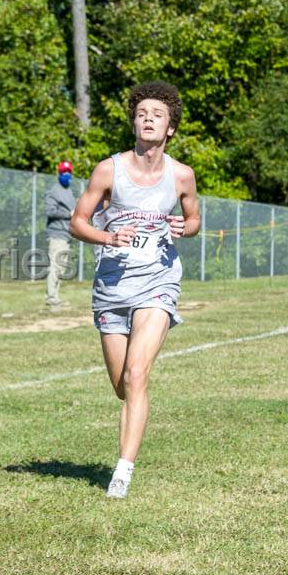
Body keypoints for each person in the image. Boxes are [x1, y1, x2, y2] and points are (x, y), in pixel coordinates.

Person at [69, 81, 200, 499]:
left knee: (137, 373)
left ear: (170, 128)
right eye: (142, 113)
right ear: (134, 121)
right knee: (122, 386)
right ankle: (133, 424)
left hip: (158, 281)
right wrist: (107, 237)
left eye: (157, 115)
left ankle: (122, 473)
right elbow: (78, 221)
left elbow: (193, 219)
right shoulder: (110, 170)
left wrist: (185, 227)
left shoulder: (181, 175)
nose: (148, 119)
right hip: (112, 285)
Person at [44, 160, 77, 308]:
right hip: (57, 234)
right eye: (64, 172)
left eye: (68, 171)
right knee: (55, 266)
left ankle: (55, 297)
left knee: (61, 268)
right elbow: (50, 211)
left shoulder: (68, 191)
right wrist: (68, 214)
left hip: (67, 234)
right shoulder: (54, 191)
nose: (66, 174)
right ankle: (51, 298)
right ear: (59, 173)